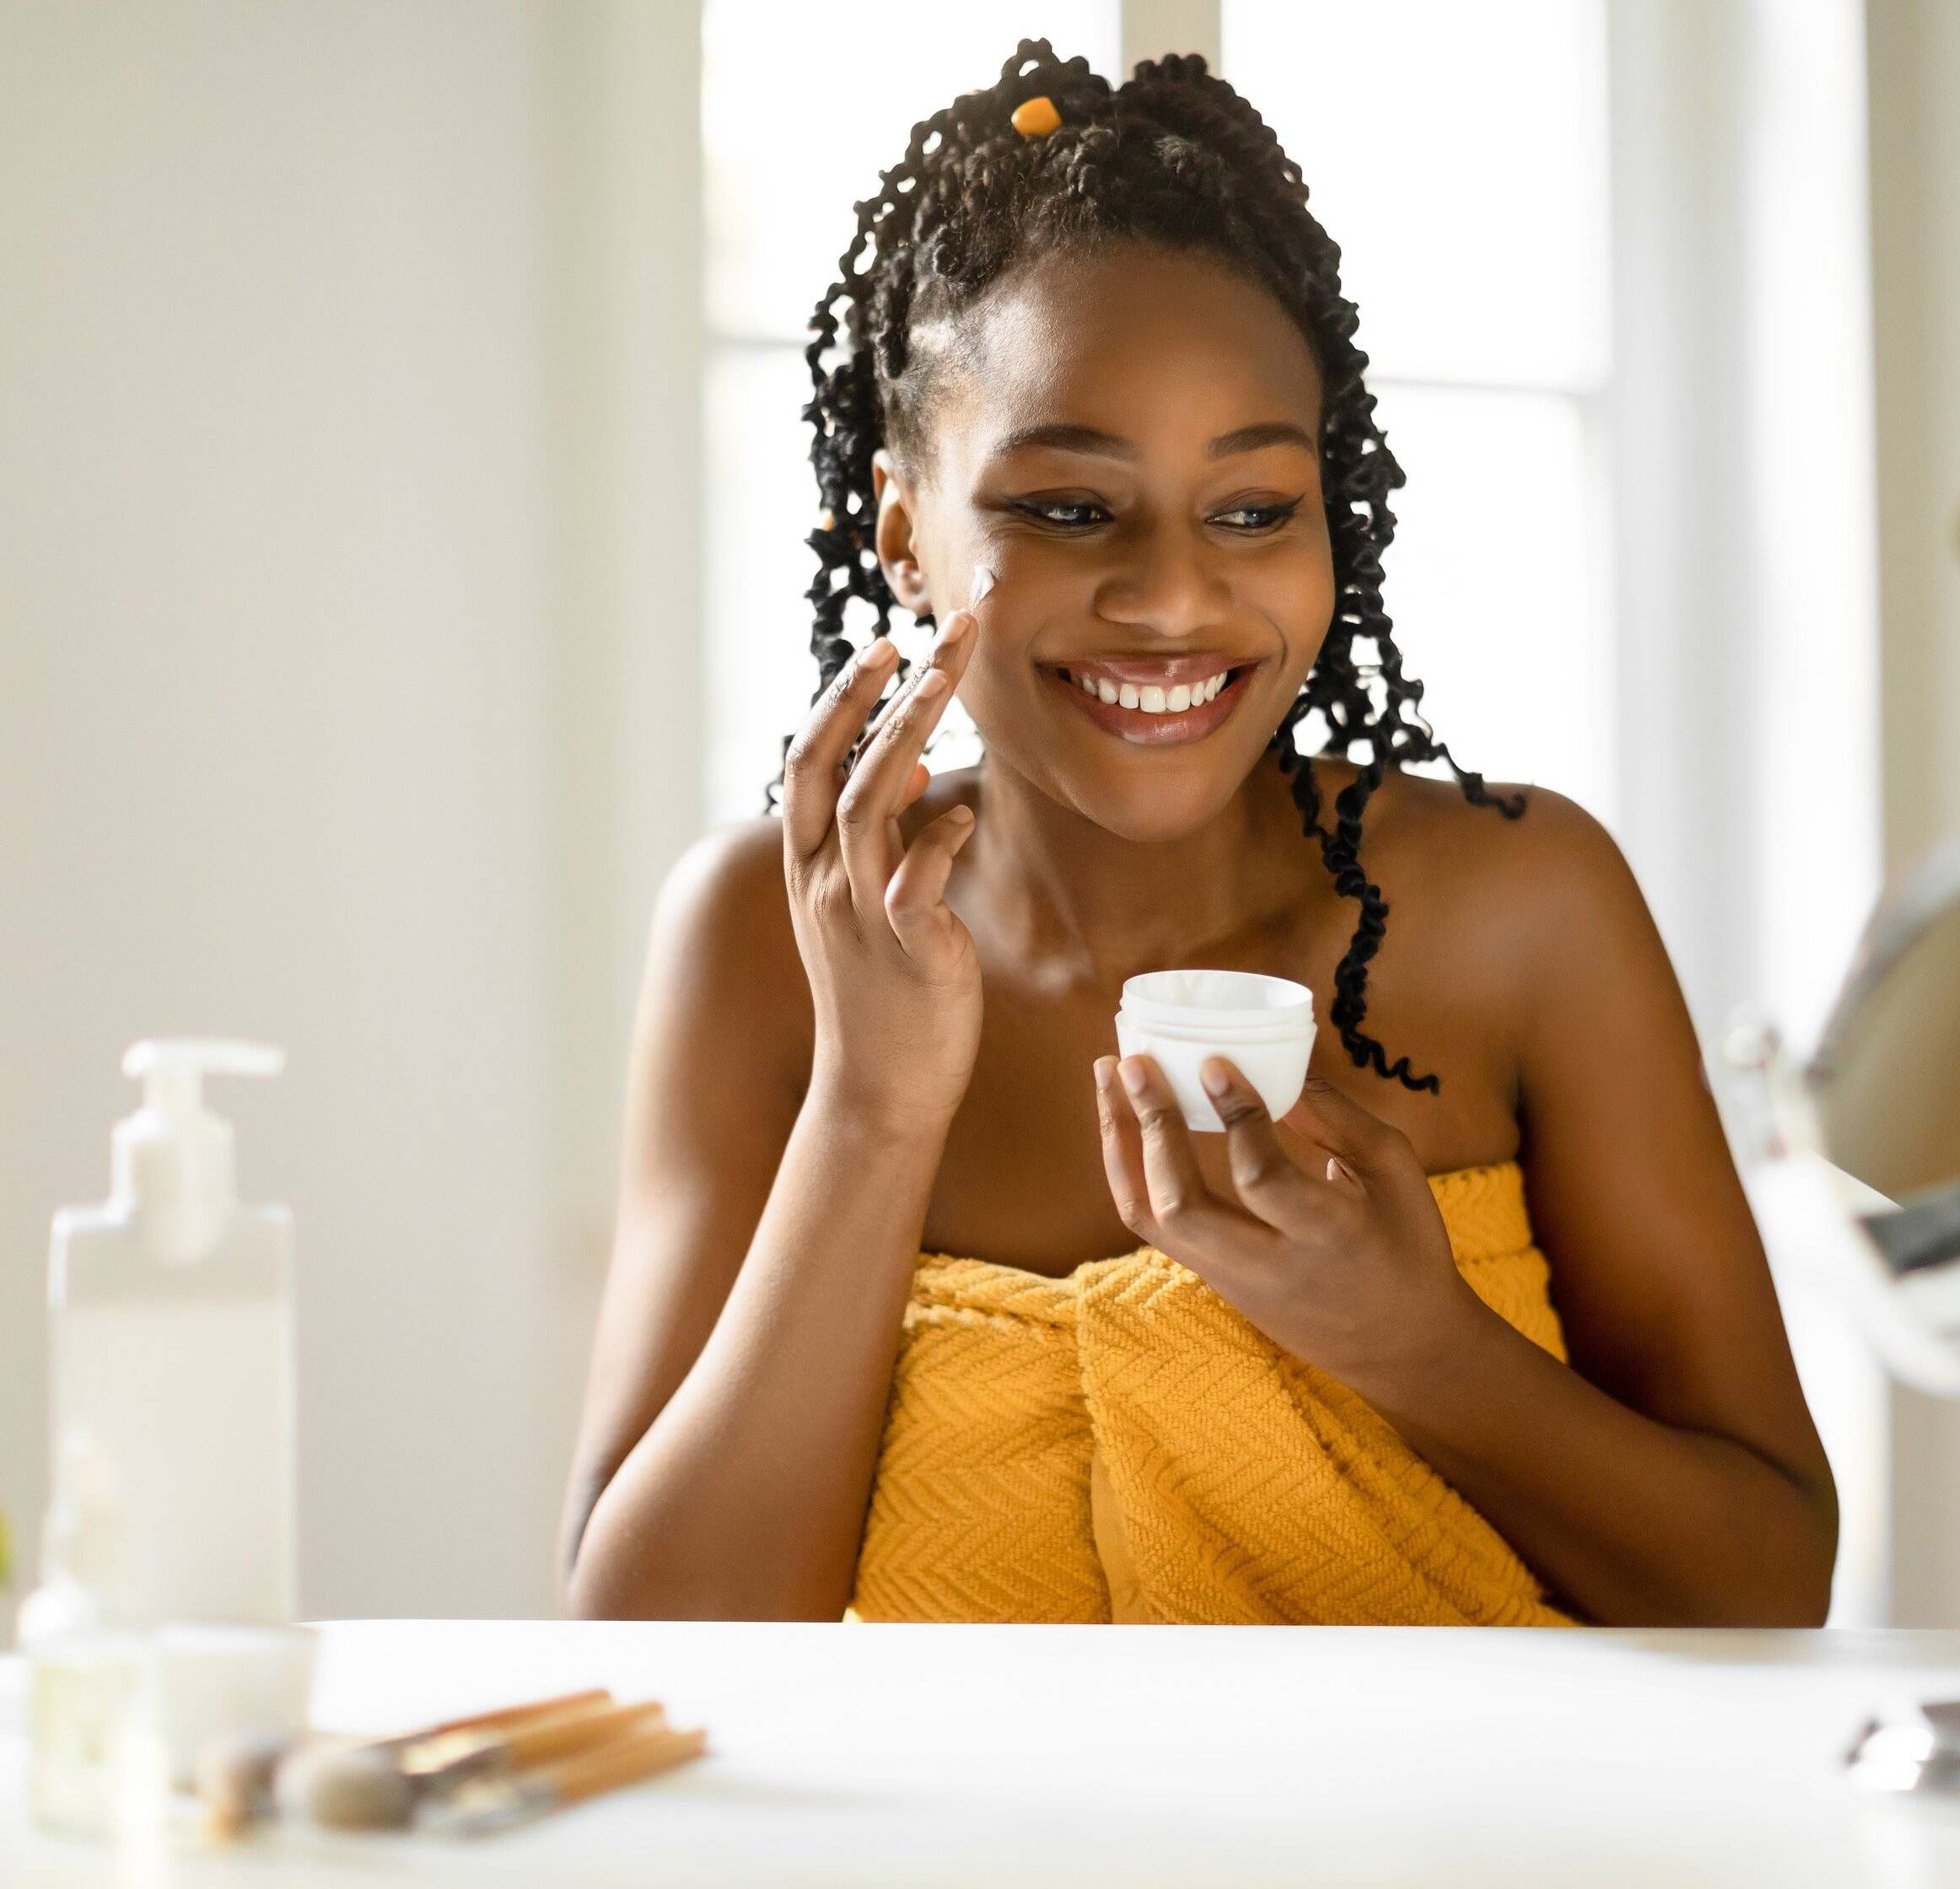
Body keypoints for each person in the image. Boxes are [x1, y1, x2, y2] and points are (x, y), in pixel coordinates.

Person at [562, 42, 1833, 1626]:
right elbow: (653, 1640)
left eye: (1251, 511)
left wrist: (1408, 1340)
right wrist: (873, 1113)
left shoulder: (1525, 912)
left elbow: (1769, 1584)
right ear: (905, 534)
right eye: (1069, 508)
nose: (1172, 597)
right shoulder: (767, 935)